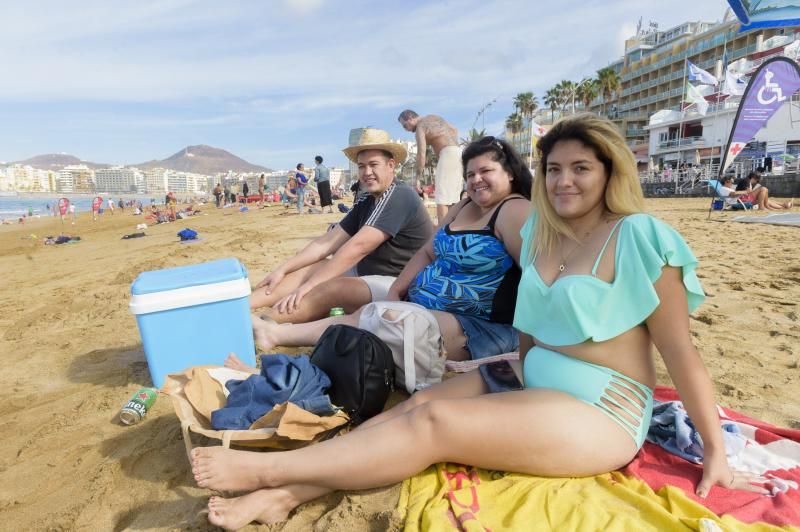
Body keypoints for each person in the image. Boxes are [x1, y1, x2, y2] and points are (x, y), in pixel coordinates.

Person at [191, 114, 766, 530]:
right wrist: (503, 364)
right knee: (417, 405)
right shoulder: (542, 235)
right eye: (555, 168)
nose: (565, 181)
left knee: (434, 422)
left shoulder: (640, 237)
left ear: (609, 171)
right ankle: (288, 493)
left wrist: (713, 451)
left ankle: (271, 475)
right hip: (534, 375)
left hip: (600, 410)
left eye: (581, 168)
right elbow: (530, 327)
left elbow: (680, 354)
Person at [248, 136, 531, 362]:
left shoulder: (513, 210)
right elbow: (426, 252)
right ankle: (263, 324)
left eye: (486, 171)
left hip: (476, 326)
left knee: (366, 309)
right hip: (418, 300)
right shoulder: (465, 204)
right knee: (359, 308)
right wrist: (397, 291)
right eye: (470, 174)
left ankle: (268, 325)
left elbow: (536, 279)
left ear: (509, 173)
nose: (476, 179)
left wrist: (531, 345)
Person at [250, 128, 434, 325]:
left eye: (373, 165)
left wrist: (310, 286)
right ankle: (242, 305)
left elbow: (358, 247)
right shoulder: (367, 200)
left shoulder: (400, 195)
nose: (367, 172)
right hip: (368, 272)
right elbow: (327, 242)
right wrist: (282, 270)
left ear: (391, 165)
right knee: (312, 268)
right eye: (362, 166)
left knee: (329, 287)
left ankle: (261, 323)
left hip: (399, 284)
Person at [398, 109, 462, 225]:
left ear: (411, 118)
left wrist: (417, 178)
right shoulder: (434, 117)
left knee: (442, 199)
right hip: (458, 151)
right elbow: (454, 130)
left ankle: (441, 234)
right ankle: (455, 227)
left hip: (447, 154)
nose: (406, 130)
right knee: (453, 198)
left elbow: (421, 154)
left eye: (405, 125)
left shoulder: (420, 128)